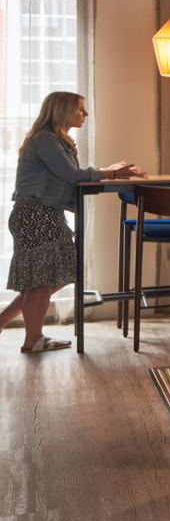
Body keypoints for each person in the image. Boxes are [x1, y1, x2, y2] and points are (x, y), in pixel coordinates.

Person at [2, 91, 143, 353]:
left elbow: (69, 174)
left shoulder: (54, 140)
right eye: (80, 109)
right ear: (63, 111)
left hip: (41, 214)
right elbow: (71, 174)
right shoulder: (46, 140)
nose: (85, 114)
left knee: (48, 277)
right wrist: (112, 173)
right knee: (42, 281)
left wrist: (109, 171)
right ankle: (33, 341)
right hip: (36, 215)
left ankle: (7, 323)